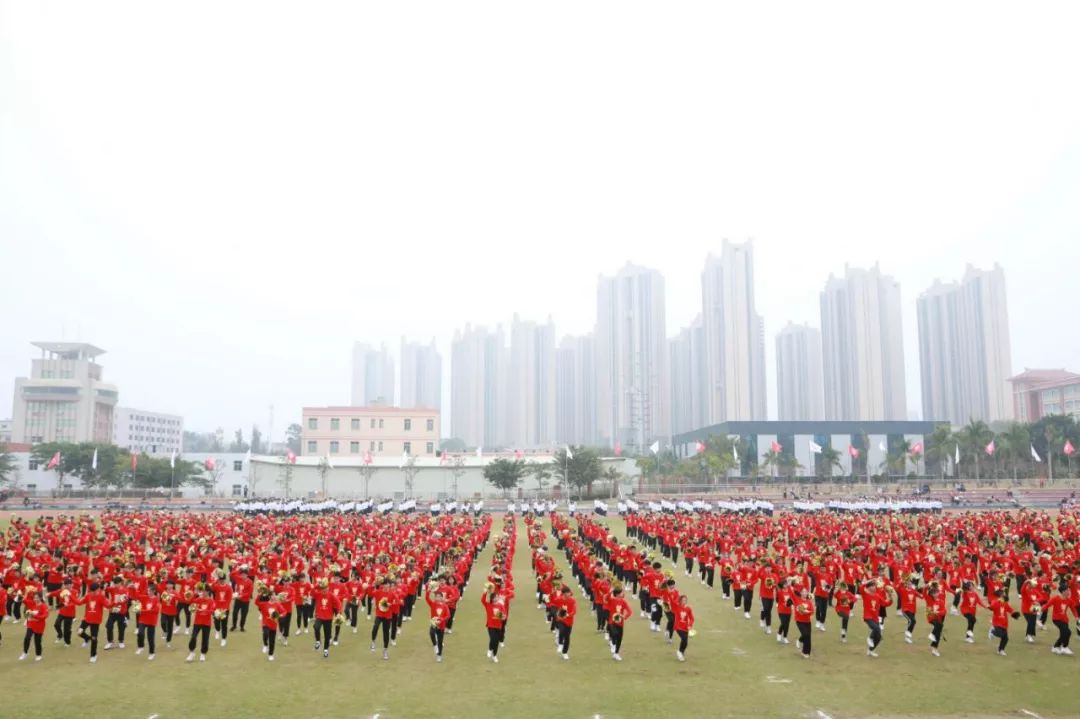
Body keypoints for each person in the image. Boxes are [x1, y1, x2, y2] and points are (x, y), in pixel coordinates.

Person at [75, 582, 106, 663]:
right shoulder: (88, 596)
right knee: (79, 632)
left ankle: (93, 655)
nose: (93, 592)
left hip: (96, 621)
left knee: (94, 638)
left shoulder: (101, 597)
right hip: (87, 618)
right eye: (91, 591)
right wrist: (70, 597)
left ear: (97, 590)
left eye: (94, 591)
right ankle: (87, 638)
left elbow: (108, 605)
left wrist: (116, 603)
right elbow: (79, 603)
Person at [861, 578, 892, 657]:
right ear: (868, 588)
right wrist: (870, 580)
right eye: (872, 586)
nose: (874, 587)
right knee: (876, 628)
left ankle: (870, 650)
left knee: (879, 638)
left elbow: (886, 604)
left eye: (874, 586)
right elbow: (861, 587)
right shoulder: (865, 594)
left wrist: (890, 596)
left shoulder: (878, 596)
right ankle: (870, 638)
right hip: (868, 617)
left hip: (875, 618)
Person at [312, 578, 342, 659]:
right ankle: (318, 641)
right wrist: (318, 584)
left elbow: (339, 603)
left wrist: (338, 613)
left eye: (325, 588)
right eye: (322, 588)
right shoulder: (318, 594)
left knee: (327, 635)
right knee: (316, 627)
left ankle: (326, 650)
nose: (324, 590)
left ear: (328, 588)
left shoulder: (331, 595)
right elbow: (312, 591)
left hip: (328, 618)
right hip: (320, 616)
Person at [1045, 585, 1078, 655]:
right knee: (1067, 632)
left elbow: (1073, 609)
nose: (1069, 592)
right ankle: (1064, 647)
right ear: (1063, 592)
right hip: (1056, 619)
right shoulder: (1055, 598)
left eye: (1069, 590)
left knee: (1064, 633)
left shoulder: (1069, 600)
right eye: (1067, 590)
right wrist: (1038, 610)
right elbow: (1047, 605)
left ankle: (1056, 647)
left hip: (1065, 620)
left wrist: (1076, 617)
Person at [186, 583, 214, 662]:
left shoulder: (211, 601)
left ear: (208, 592)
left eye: (205, 591)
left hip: (206, 623)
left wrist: (202, 610)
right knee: (193, 637)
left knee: (205, 639)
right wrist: (194, 593)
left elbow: (211, 611)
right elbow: (191, 603)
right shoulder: (199, 599)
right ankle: (192, 653)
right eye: (202, 591)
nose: (203, 592)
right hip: (197, 622)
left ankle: (203, 654)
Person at [481, 581, 507, 663]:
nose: (496, 598)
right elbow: (483, 600)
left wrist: (502, 617)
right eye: (494, 597)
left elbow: (504, 616)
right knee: (493, 639)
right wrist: (487, 592)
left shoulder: (501, 605)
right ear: (492, 598)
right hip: (491, 625)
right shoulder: (488, 605)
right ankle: (489, 649)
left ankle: (494, 655)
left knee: (496, 642)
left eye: (497, 597)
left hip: (498, 626)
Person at [605, 583, 633, 661]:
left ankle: (616, 653)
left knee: (619, 638)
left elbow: (630, 611)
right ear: (617, 594)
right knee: (614, 634)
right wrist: (610, 591)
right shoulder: (612, 600)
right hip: (612, 621)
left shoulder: (623, 602)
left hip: (620, 622)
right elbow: (606, 598)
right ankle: (612, 643)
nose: (622, 594)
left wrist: (625, 616)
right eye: (621, 593)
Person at [988, 589, 1019, 657]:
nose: (1004, 594)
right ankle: (992, 631)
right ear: (1000, 595)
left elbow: (1009, 609)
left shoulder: (1005, 603)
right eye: (1003, 594)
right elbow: (992, 607)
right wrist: (997, 601)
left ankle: (1001, 650)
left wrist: (1014, 613)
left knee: (1005, 638)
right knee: (1000, 634)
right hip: (997, 622)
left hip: (1004, 622)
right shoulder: (995, 601)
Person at [133, 583, 161, 660]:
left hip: (151, 621)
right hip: (143, 620)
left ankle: (152, 653)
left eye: (150, 591)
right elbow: (136, 597)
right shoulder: (145, 597)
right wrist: (133, 588)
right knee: (140, 633)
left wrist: (141, 611)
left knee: (150, 638)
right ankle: (140, 647)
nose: (148, 592)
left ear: (154, 591)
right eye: (148, 591)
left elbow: (154, 611)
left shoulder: (156, 600)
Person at [19, 590, 48, 662]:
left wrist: (34, 615)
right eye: (34, 598)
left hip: (40, 626)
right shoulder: (32, 603)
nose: (35, 599)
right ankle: (25, 653)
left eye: (37, 598)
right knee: (27, 638)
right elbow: (24, 600)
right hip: (31, 624)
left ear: (41, 598)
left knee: (37, 641)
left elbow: (44, 616)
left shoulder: (44, 606)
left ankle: (38, 655)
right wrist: (23, 593)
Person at [425, 581, 449, 662]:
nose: (438, 598)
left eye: (439, 597)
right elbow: (427, 598)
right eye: (436, 596)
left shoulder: (445, 606)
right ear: (435, 597)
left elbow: (448, 615)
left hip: (441, 625)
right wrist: (428, 590)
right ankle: (435, 645)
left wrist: (441, 620)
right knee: (431, 633)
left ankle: (439, 655)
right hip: (434, 623)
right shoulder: (433, 604)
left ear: (442, 598)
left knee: (440, 640)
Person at [792, 588, 814, 659]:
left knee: (808, 637)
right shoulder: (797, 600)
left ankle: (806, 652)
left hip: (807, 621)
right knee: (805, 634)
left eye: (806, 592)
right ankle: (799, 640)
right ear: (800, 593)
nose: (805, 593)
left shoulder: (809, 602)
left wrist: (808, 612)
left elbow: (812, 611)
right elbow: (791, 593)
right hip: (799, 621)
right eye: (803, 592)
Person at [673, 594, 694, 661]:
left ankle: (681, 652)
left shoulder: (688, 609)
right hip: (678, 627)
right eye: (683, 600)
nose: (684, 601)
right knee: (684, 639)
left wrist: (690, 625)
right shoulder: (677, 607)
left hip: (685, 627)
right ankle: (679, 652)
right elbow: (672, 602)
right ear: (680, 601)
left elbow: (692, 618)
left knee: (685, 642)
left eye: (685, 600)